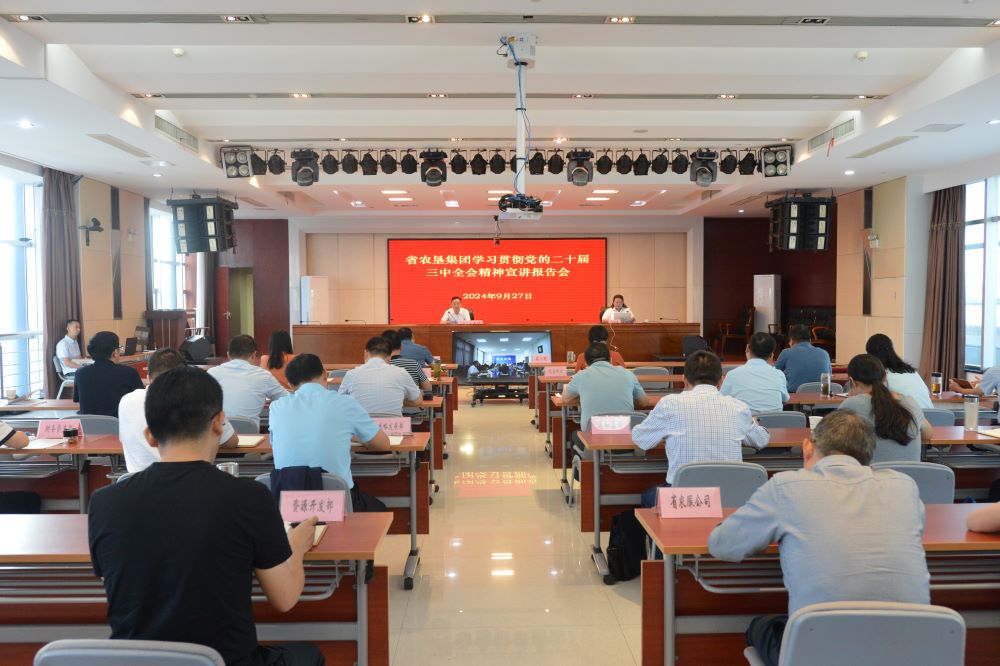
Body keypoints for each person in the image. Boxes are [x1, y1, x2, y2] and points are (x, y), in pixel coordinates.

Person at [88, 366, 325, 666]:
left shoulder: (104, 502)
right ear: (218, 423)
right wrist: (298, 545)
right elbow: (285, 598)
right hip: (227, 661)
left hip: (135, 663)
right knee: (309, 656)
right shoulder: (248, 497)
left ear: (150, 436)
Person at [708, 410, 930, 666]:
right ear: (869, 456)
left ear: (807, 447)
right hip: (910, 651)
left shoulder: (786, 487)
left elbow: (722, 545)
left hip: (819, 652)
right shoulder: (904, 486)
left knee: (763, 626)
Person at [632, 350, 769, 506]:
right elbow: (761, 440)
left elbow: (640, 439)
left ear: (684, 379)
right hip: (728, 499)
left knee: (648, 496)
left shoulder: (669, 404)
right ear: (720, 381)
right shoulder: (738, 407)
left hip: (683, 500)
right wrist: (754, 423)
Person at [270, 353, 391, 511]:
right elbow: (383, 444)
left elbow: (275, 444)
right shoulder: (344, 403)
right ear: (325, 375)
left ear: (291, 385)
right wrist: (356, 437)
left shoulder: (276, 407)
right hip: (337, 503)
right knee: (380, 510)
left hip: (289, 504)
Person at [119, 348, 237, 473]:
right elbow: (231, 442)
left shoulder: (126, 401)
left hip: (138, 480)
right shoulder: (201, 397)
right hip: (193, 479)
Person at [837, 354, 931, 463]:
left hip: (872, 473)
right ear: (885, 376)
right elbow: (928, 434)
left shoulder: (851, 405)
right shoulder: (910, 403)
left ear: (852, 381)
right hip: (911, 474)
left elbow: (832, 441)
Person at [563, 342, 647, 433]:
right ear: (610, 359)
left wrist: (584, 396)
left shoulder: (580, 376)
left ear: (586, 362)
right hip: (624, 432)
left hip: (593, 433)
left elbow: (566, 398)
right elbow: (644, 402)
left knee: (574, 435)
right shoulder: (628, 374)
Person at [208, 335, 288, 430]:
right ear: (254, 355)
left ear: (228, 355)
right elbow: (286, 399)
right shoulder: (263, 376)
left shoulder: (212, 373)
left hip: (218, 434)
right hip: (250, 435)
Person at [338, 336, 421, 415]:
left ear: (365, 353)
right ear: (389, 357)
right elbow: (417, 401)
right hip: (393, 424)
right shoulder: (401, 373)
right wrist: (398, 399)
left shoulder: (352, 374)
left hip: (361, 424)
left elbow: (340, 402)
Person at [73, 331, 144, 417]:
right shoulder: (129, 372)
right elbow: (142, 398)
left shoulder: (80, 373)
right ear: (114, 352)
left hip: (88, 424)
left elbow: (77, 399)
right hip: (119, 424)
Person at [720, 332, 789, 413]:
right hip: (774, 420)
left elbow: (722, 401)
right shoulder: (779, 375)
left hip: (745, 420)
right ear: (771, 355)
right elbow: (785, 399)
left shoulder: (732, 375)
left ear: (747, 349)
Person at [865, 333, 933, 409]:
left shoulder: (884, 375)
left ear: (871, 355)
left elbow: (870, 400)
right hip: (932, 414)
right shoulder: (911, 371)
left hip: (914, 415)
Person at [773, 324, 831, 392]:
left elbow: (774, 375)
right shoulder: (824, 353)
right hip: (821, 395)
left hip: (795, 395)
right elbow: (828, 375)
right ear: (810, 340)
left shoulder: (786, 353)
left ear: (791, 340)